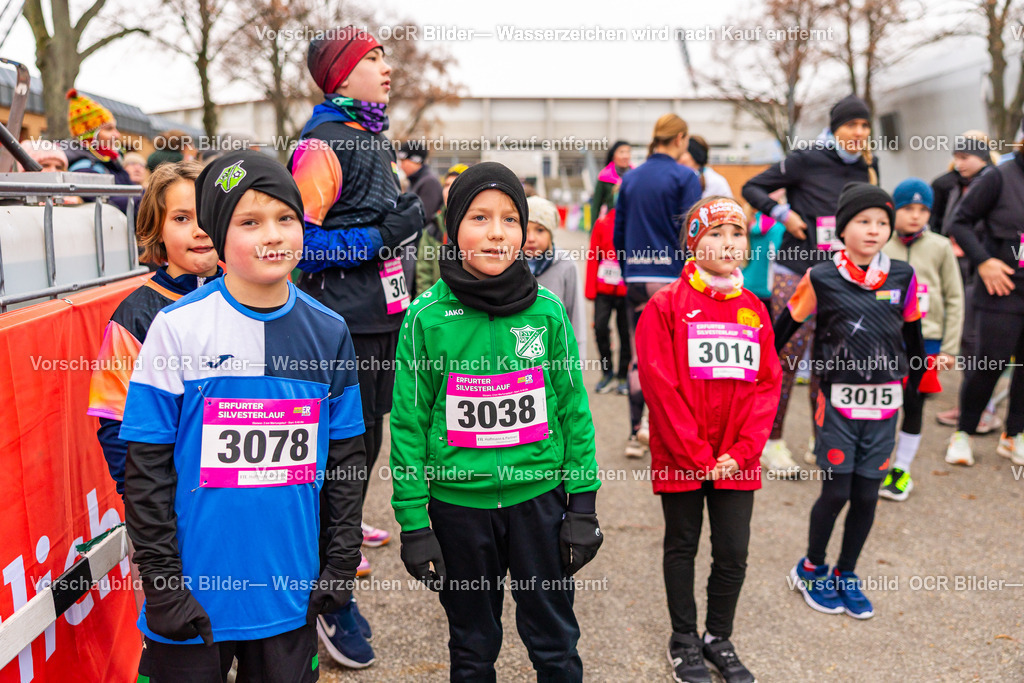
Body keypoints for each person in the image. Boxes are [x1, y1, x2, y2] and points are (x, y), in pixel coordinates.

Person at [120, 151, 367, 681]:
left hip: (287, 601)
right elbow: (145, 467)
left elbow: (347, 459)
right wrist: (163, 584)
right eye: (249, 222)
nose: (273, 235)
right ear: (218, 237)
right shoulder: (176, 328)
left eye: (286, 218)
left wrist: (340, 561)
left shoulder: (329, 331)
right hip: (193, 604)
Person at [390, 162, 602, 681]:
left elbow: (574, 408)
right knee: (472, 644)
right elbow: (408, 426)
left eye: (511, 219)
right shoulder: (425, 318)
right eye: (480, 217)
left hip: (540, 503)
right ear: (453, 225)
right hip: (459, 510)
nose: (496, 232)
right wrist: (414, 524)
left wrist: (584, 502)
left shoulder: (547, 311)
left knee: (554, 641)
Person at [290, 27, 424, 662]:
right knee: (338, 460)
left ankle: (333, 559)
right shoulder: (320, 145)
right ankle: (324, 598)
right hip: (340, 326)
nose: (386, 67)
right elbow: (296, 244)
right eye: (372, 59)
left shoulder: (371, 135)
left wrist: (398, 229)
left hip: (382, 318)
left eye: (383, 56)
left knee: (364, 450)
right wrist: (381, 236)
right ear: (338, 77)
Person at [636, 196, 780, 683]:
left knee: (733, 550)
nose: (728, 243)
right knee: (682, 544)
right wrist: (697, 455)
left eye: (737, 233)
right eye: (715, 233)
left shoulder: (754, 309)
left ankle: (719, 636)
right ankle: (684, 639)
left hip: (737, 461)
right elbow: (660, 385)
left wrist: (741, 453)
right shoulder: (665, 306)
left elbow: (767, 384)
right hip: (684, 456)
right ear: (693, 243)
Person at [776, 183, 924, 620]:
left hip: (884, 403)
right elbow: (781, 331)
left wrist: (917, 385)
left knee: (867, 495)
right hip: (836, 400)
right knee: (836, 490)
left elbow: (913, 337)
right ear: (843, 229)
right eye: (863, 222)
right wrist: (758, 372)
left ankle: (846, 572)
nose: (874, 230)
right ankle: (811, 567)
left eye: (882, 222)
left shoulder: (903, 276)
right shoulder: (820, 276)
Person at [742, 94, 878, 474]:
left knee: (829, 361)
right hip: (796, 270)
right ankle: (772, 441)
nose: (859, 132)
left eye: (865, 126)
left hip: (840, 274)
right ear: (835, 128)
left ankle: (822, 439)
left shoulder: (866, 166)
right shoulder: (806, 158)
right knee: (785, 357)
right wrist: (785, 215)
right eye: (852, 124)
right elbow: (753, 187)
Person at [88, 160, 220, 499]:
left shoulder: (253, 299)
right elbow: (117, 422)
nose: (199, 229)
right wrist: (148, 513)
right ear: (155, 229)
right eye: (181, 218)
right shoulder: (134, 317)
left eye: (207, 214)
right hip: (177, 503)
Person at [613, 113, 702, 458]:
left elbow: (619, 232)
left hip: (636, 276)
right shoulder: (685, 176)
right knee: (676, 359)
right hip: (672, 278)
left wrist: (627, 269)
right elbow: (691, 233)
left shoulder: (631, 178)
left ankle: (636, 433)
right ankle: (668, 431)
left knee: (638, 356)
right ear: (680, 138)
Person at [880, 179, 963, 500]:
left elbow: (955, 297)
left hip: (927, 342)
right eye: (908, 208)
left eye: (923, 210)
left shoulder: (940, 246)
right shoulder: (882, 244)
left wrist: (950, 348)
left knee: (914, 404)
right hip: (887, 340)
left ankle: (902, 469)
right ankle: (879, 462)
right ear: (893, 209)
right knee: (885, 403)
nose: (915, 216)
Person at [944, 132, 1024, 468]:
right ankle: (963, 433)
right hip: (1001, 290)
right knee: (990, 363)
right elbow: (958, 223)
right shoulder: (999, 177)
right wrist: (983, 261)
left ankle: (1014, 435)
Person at [931, 132, 1003, 432]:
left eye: (965, 157)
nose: (959, 163)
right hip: (960, 269)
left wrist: (985, 258)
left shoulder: (996, 181)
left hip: (988, 274)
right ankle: (971, 409)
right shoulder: (946, 184)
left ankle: (980, 411)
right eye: (956, 157)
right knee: (966, 337)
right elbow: (945, 224)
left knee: (978, 342)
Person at [524, 195, 587, 359]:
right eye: (525, 230)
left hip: (556, 357)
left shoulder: (565, 265)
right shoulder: (505, 264)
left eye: (540, 230)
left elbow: (576, 317)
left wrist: (577, 362)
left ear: (551, 233)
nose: (531, 238)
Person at [65, 88, 137, 216]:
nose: (117, 134)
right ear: (90, 136)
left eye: (115, 128)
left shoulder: (111, 164)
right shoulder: (83, 169)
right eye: (109, 129)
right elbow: (112, 204)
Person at [586, 203, 629, 395]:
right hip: (603, 288)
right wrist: (590, 290)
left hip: (627, 290)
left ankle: (623, 374)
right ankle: (607, 372)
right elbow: (593, 254)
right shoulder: (602, 223)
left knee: (626, 333)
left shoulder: (634, 221)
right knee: (600, 327)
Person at [398, 139, 443, 298]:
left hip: (423, 246)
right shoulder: (416, 181)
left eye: (404, 160)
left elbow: (422, 217)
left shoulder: (428, 182)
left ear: (416, 160)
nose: (401, 165)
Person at [416, 163, 468, 294]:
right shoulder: (433, 228)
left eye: (455, 184)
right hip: (439, 302)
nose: (449, 190)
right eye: (446, 185)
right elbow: (423, 272)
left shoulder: (479, 226)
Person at [591, 140, 632, 225]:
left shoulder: (636, 176)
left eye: (628, 152)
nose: (625, 156)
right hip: (610, 225)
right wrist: (593, 231)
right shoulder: (604, 177)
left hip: (631, 224)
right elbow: (596, 206)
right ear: (613, 155)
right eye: (621, 152)